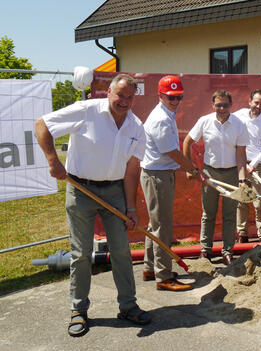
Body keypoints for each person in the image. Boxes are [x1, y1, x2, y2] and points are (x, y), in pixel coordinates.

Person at [35, 74, 151, 337]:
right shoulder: (87, 111)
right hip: (80, 190)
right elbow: (42, 124)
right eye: (120, 95)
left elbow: (132, 170)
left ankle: (128, 305)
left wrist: (131, 209)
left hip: (114, 192)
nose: (124, 101)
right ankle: (79, 310)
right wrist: (53, 160)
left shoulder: (135, 126)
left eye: (130, 97)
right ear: (109, 92)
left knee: (121, 251)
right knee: (81, 253)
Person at [140, 76, 197, 291]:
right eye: (171, 97)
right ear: (161, 95)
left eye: (179, 97)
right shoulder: (161, 119)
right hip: (157, 175)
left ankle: (150, 267)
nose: (175, 101)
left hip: (159, 173)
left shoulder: (167, 113)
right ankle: (163, 277)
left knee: (155, 224)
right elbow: (172, 152)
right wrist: (193, 169)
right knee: (162, 226)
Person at [183, 90, 249, 265]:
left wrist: (242, 180)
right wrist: (190, 169)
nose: (222, 108)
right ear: (213, 105)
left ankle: (228, 251)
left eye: (225, 105)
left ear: (230, 106)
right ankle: (205, 250)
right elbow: (187, 142)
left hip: (231, 174)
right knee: (208, 214)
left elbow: (241, 154)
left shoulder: (239, 124)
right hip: (210, 174)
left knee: (229, 215)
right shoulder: (204, 121)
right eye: (218, 105)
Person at [234, 89, 261, 242]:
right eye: (256, 102)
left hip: (257, 166)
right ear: (250, 101)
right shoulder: (239, 115)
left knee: (260, 203)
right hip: (240, 165)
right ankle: (242, 235)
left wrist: (253, 164)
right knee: (242, 201)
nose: (258, 106)